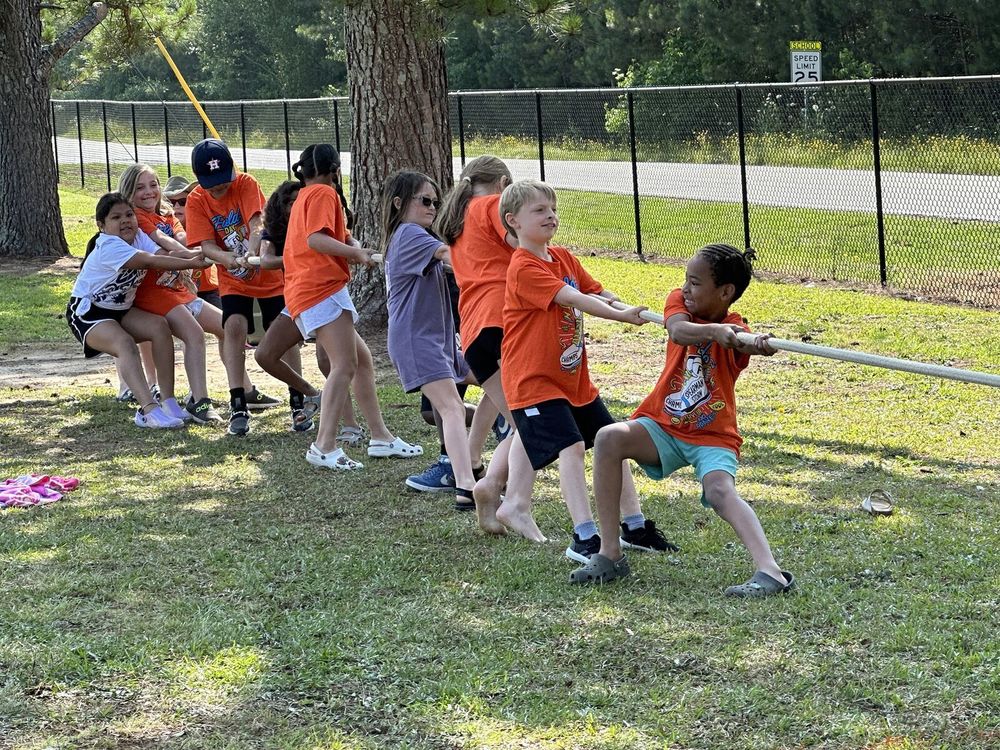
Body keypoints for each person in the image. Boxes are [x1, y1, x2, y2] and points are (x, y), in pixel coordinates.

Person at [569, 244, 795, 596]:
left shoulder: (736, 328)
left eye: (695, 283)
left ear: (725, 292)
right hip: (663, 426)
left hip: (713, 436)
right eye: (686, 281)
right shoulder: (680, 303)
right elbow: (678, 331)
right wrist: (714, 334)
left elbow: (743, 344)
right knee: (609, 438)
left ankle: (771, 572)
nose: (686, 289)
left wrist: (756, 344)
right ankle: (610, 554)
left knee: (720, 492)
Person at [495, 179, 674, 565]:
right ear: (513, 221)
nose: (550, 215)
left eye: (553, 209)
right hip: (533, 381)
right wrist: (620, 316)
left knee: (614, 441)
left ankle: (635, 526)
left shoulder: (562, 257)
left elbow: (595, 291)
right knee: (571, 447)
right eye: (539, 210)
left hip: (574, 380)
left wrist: (627, 306)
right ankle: (584, 536)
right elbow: (574, 298)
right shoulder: (523, 266)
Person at [281, 143, 421, 470]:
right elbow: (316, 240)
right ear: (334, 169)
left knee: (363, 362)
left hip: (314, 289)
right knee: (343, 365)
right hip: (319, 288)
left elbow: (336, 236)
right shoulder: (325, 194)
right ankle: (324, 445)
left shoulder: (304, 196)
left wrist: (354, 246)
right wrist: (355, 254)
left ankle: (381, 437)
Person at [381, 170, 502, 532]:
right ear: (400, 204)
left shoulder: (415, 235)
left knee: (495, 377)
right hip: (416, 340)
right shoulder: (409, 234)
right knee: (449, 408)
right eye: (425, 201)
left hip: (438, 339)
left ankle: (477, 460)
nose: (432, 207)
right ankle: (465, 484)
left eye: (436, 201)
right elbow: (453, 256)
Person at [66, 192, 209, 428]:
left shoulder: (138, 236)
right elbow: (150, 262)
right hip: (89, 312)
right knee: (124, 344)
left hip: (120, 310)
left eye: (129, 214)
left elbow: (164, 254)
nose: (125, 220)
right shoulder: (109, 245)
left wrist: (199, 254)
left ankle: (169, 402)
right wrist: (193, 262)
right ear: (101, 225)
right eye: (116, 217)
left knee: (159, 327)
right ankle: (149, 412)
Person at [434, 155, 518, 526]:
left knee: (505, 404)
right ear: (502, 184)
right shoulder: (491, 206)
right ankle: (503, 493)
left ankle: (472, 473)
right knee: (533, 421)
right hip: (504, 320)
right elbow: (526, 245)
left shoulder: (456, 221)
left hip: (474, 330)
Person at [184, 139, 282, 436]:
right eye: (211, 184)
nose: (219, 189)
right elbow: (206, 246)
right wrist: (230, 259)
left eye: (223, 181)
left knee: (283, 331)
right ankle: (238, 402)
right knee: (235, 327)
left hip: (266, 275)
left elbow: (256, 223)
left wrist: (252, 254)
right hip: (232, 277)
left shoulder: (246, 184)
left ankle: (298, 400)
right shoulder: (197, 200)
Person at [117, 164, 224, 424]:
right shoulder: (137, 217)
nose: (149, 192)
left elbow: (181, 236)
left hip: (179, 292)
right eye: (140, 187)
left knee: (227, 326)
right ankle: (199, 402)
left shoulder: (166, 215)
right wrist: (192, 258)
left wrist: (207, 244)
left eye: (153, 185)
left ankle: (240, 391)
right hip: (155, 295)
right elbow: (164, 250)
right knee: (194, 334)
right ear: (129, 191)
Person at [255, 177, 361, 435]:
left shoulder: (317, 222)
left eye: (298, 200)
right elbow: (265, 260)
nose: (296, 205)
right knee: (264, 355)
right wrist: (293, 256)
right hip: (297, 300)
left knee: (332, 361)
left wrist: (356, 250)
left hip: (322, 296)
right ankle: (312, 394)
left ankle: (350, 426)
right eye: (290, 202)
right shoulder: (275, 231)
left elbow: (349, 241)